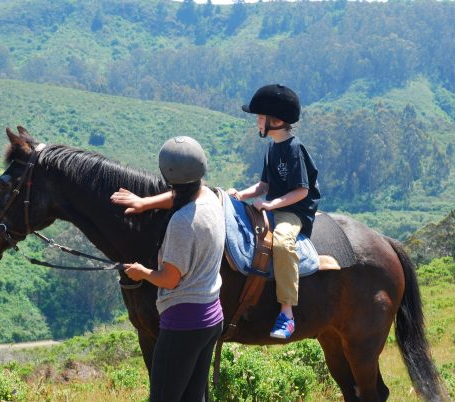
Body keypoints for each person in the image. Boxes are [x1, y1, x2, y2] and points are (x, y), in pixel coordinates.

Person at [112, 136, 225, 402]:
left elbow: (170, 279)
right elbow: (180, 195)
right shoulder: (211, 199)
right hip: (211, 317)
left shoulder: (182, 223)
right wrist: (145, 202)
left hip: (183, 325)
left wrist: (142, 272)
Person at [228, 84, 320, 339]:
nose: (257, 122)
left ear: (276, 120)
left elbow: (301, 191)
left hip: (292, 213)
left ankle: (287, 313)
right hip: (275, 207)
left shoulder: (294, 149)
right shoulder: (272, 148)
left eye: (260, 117)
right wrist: (241, 194)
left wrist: (269, 204)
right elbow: (264, 185)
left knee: (281, 243)